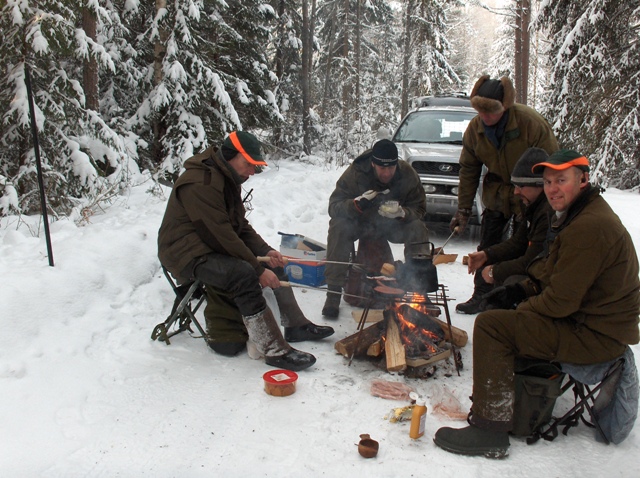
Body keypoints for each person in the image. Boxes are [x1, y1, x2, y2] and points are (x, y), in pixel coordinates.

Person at [433, 149, 640, 457]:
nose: (552, 189)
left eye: (561, 180)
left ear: (583, 179)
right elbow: (553, 272)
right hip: (590, 324)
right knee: (509, 311)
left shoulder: (589, 226)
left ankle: (489, 430)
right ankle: (511, 402)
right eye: (547, 182)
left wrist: (522, 307)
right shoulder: (579, 215)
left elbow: (559, 302)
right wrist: (521, 290)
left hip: (595, 337)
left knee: (492, 326)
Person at [157, 131, 334, 372]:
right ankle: (273, 349)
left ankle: (295, 325)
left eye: (255, 166)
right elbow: (221, 235)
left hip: (209, 244)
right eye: (249, 164)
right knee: (243, 273)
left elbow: (239, 227)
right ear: (232, 156)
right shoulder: (201, 182)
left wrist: (266, 252)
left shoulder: (226, 179)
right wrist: (256, 268)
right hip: (185, 252)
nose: (252, 172)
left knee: (273, 263)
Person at [451, 75, 559, 314]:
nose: (485, 118)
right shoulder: (475, 129)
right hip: (497, 193)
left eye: (490, 112)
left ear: (504, 107)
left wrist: (547, 201)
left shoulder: (530, 123)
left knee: (524, 247)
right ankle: (481, 294)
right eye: (481, 112)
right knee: (488, 244)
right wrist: (464, 208)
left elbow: (551, 164)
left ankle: (515, 296)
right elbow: (469, 169)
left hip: (529, 193)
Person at [322, 139, 430, 317]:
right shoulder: (356, 173)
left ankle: (419, 288)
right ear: (373, 164)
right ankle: (333, 293)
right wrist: (355, 205)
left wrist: (403, 213)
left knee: (417, 227)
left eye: (391, 168)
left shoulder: (407, 174)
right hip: (360, 223)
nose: (387, 173)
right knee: (338, 225)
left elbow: (420, 209)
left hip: (391, 225)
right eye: (382, 168)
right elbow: (334, 207)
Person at [461, 147, 553, 312]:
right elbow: (518, 243)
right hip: (540, 274)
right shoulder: (533, 204)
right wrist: (487, 255)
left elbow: (531, 262)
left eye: (521, 186)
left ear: (539, 185)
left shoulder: (548, 213)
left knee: (511, 282)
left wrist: (495, 271)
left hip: (551, 281)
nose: (516, 192)